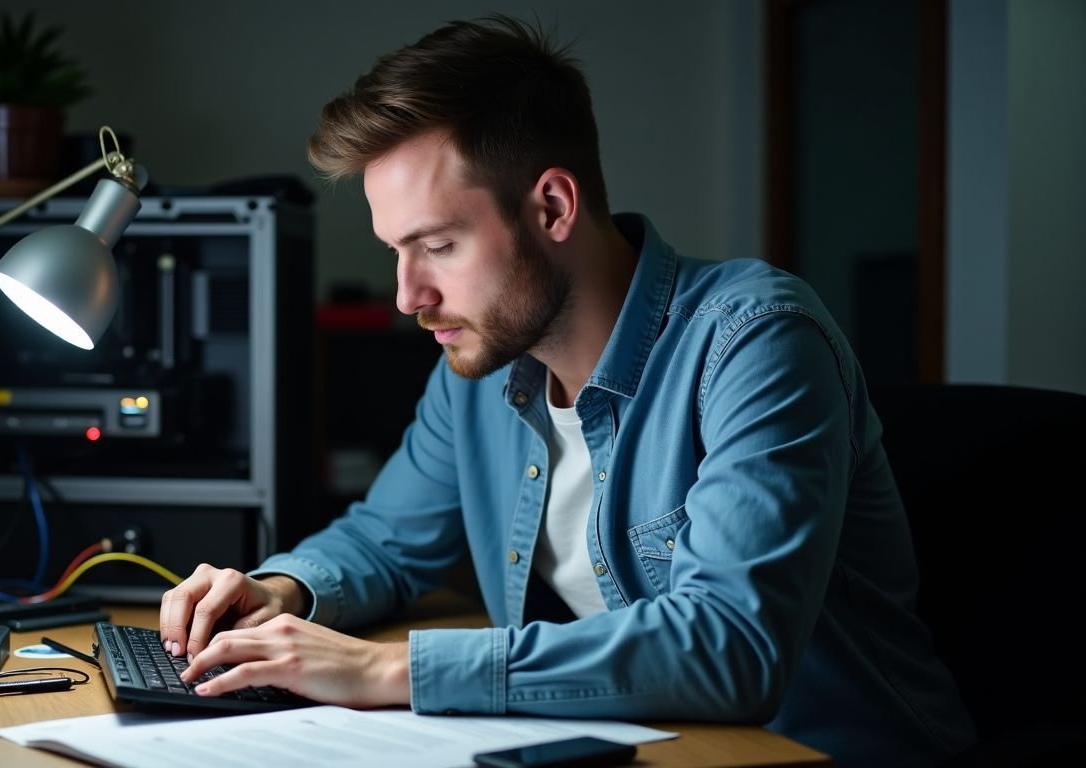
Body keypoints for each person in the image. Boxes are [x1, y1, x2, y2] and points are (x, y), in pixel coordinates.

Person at [160, 15, 977, 766]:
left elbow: (731, 645)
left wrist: (384, 668)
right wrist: (277, 593)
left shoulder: (757, 339)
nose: (408, 295)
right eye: (395, 252)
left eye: (438, 245)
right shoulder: (479, 368)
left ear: (552, 205)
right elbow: (384, 540)